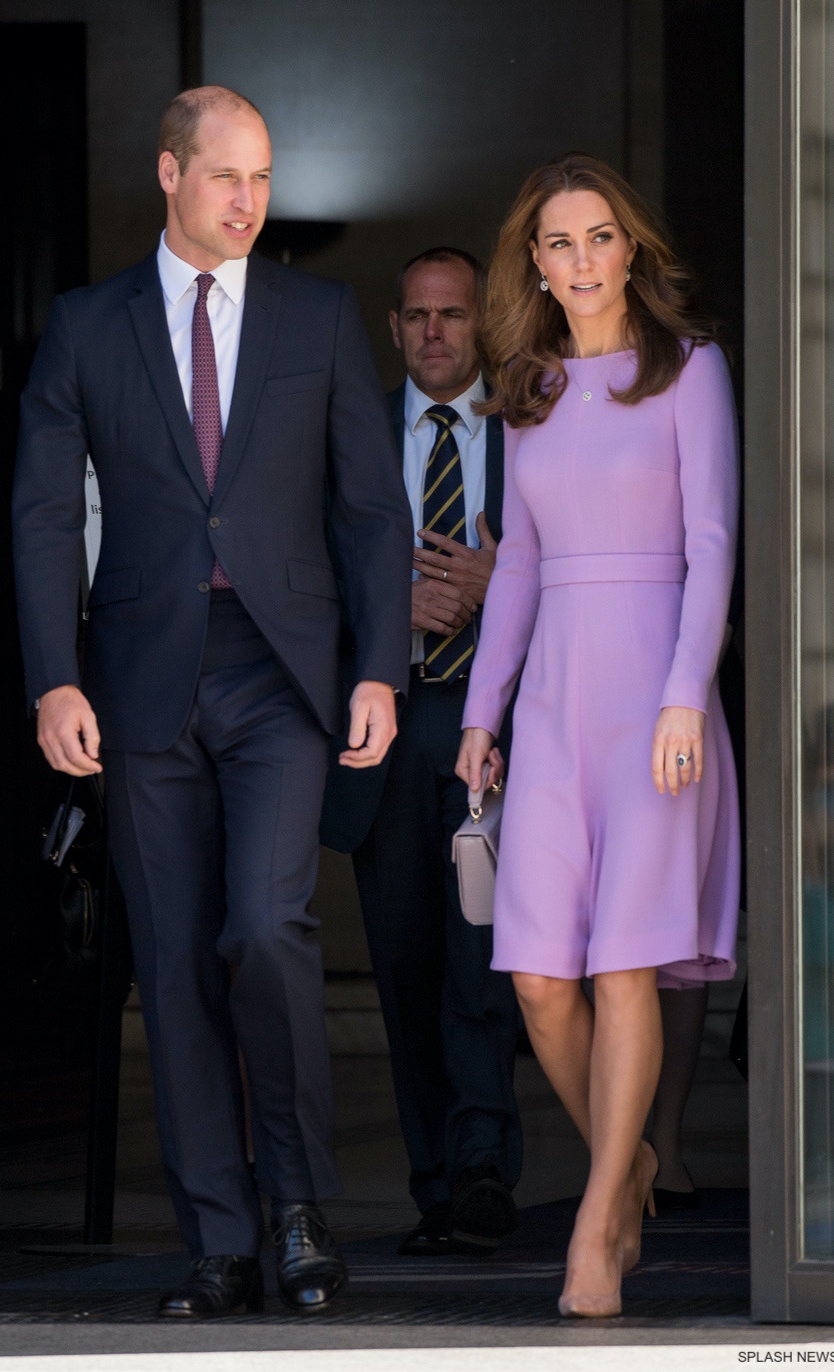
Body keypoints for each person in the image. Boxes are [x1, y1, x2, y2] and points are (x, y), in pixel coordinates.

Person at [12, 86, 413, 1318]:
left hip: (280, 672)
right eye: (228, 176)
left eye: (265, 178)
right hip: (135, 679)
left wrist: (380, 668)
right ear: (170, 173)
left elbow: (369, 509)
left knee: (264, 927)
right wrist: (52, 676)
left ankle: (296, 1206)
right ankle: (220, 1237)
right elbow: (38, 512)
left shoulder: (320, 315)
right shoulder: (86, 326)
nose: (251, 200)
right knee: (174, 963)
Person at [456, 153, 740, 1317]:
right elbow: (516, 561)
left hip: (658, 700)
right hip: (555, 703)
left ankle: (593, 1227)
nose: (580, 261)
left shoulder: (690, 368)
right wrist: (481, 713)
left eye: (600, 238)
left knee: (624, 964)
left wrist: (687, 689)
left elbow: (714, 539)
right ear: (535, 258)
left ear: (634, 247)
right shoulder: (521, 386)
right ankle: (625, 1170)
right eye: (558, 243)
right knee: (536, 977)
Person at [322, 248, 521, 1256]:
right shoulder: (348, 434)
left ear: (482, 324)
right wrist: (388, 607)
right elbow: (303, 570)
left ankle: (485, 1165)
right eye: (418, 316)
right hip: (387, 721)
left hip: (490, 728)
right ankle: (436, 1183)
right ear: (394, 331)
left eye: (453, 314)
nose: (436, 331)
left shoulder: (528, 428)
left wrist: (500, 579)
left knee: (479, 954)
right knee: (403, 959)